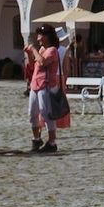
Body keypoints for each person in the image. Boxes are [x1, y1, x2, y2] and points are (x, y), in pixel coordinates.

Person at [23, 24, 65, 154]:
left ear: (47, 36)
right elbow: (33, 65)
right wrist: (29, 54)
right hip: (35, 85)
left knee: (47, 114)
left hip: (46, 86)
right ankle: (36, 139)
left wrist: (34, 49)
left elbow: (43, 62)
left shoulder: (52, 50)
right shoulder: (41, 49)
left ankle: (52, 142)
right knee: (32, 113)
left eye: (40, 35)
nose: (38, 38)